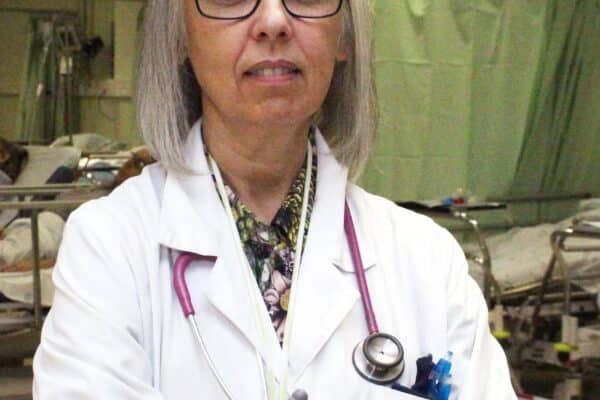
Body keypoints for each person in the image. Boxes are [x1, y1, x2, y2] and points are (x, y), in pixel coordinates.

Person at [33, 1, 516, 399]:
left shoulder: (427, 260)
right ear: (178, 33)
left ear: (344, 36)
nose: (273, 21)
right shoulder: (109, 246)